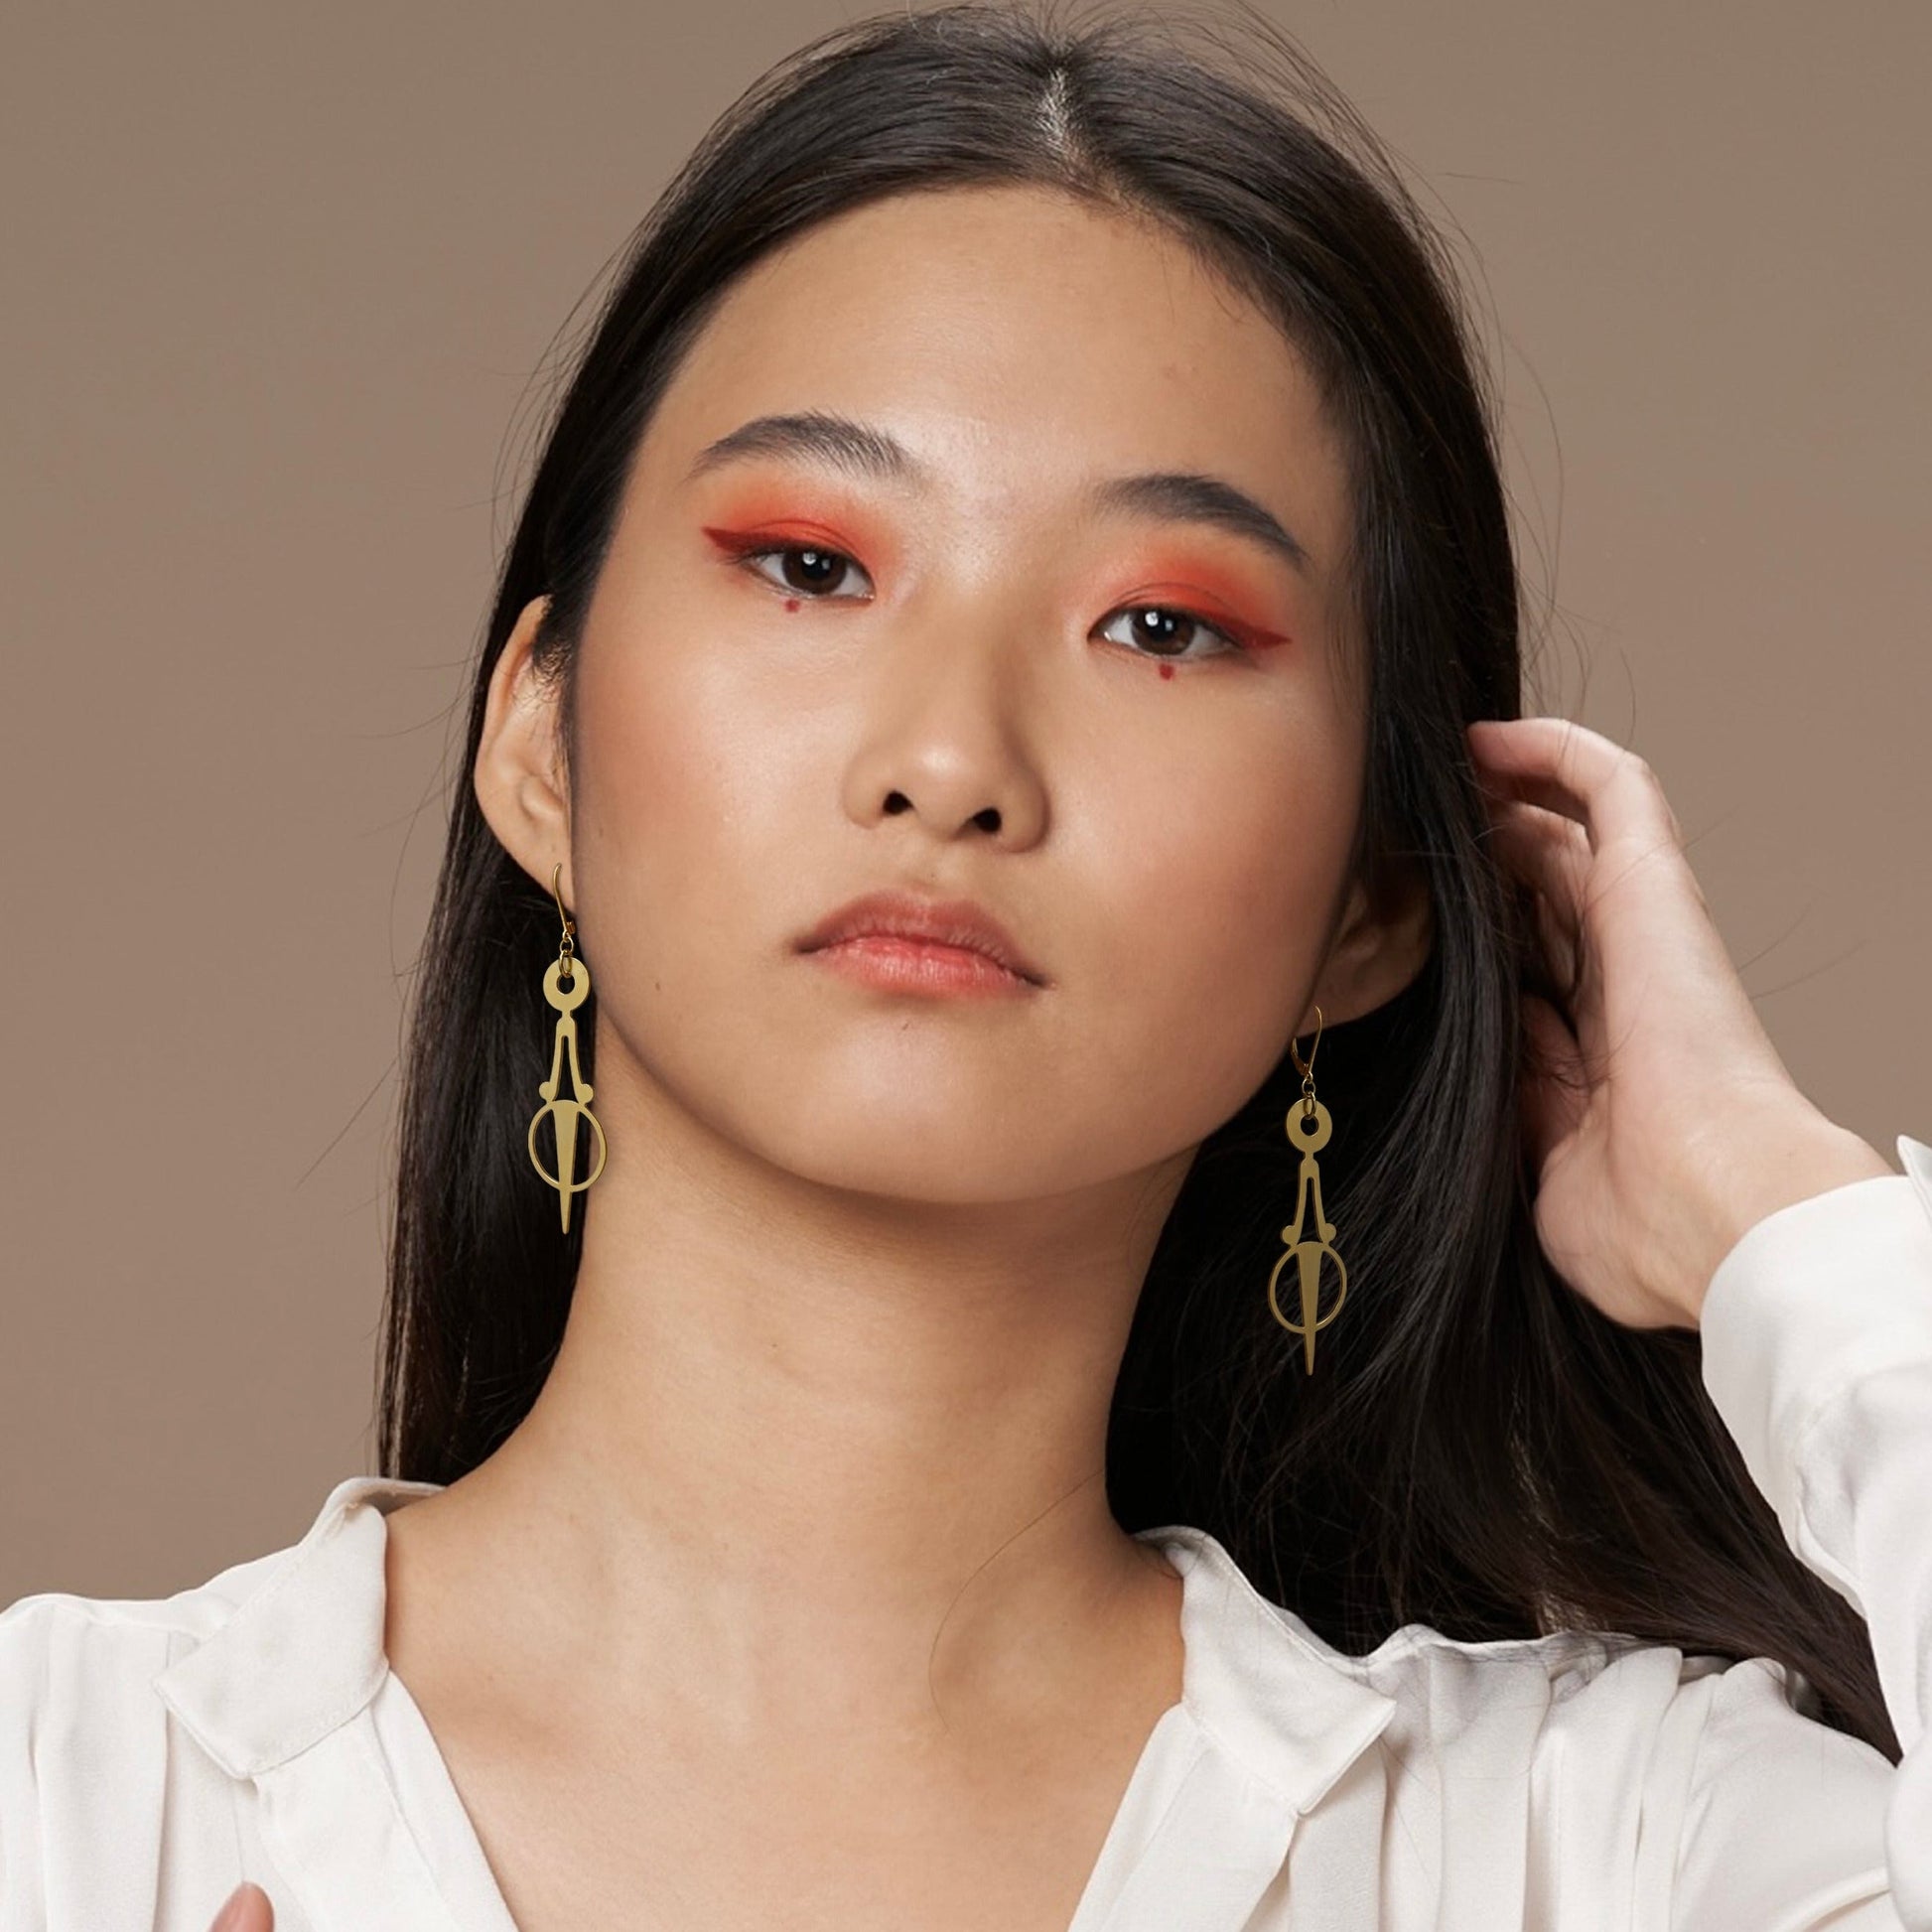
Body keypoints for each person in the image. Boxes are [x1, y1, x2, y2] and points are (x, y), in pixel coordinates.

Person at [5, 6, 1928, 1929]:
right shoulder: (56, 1794)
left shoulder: (1600, 1848)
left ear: (1371, 899)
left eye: (1160, 625)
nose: (949, 760)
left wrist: (1774, 1213)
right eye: (810, 566)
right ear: (537, 739)